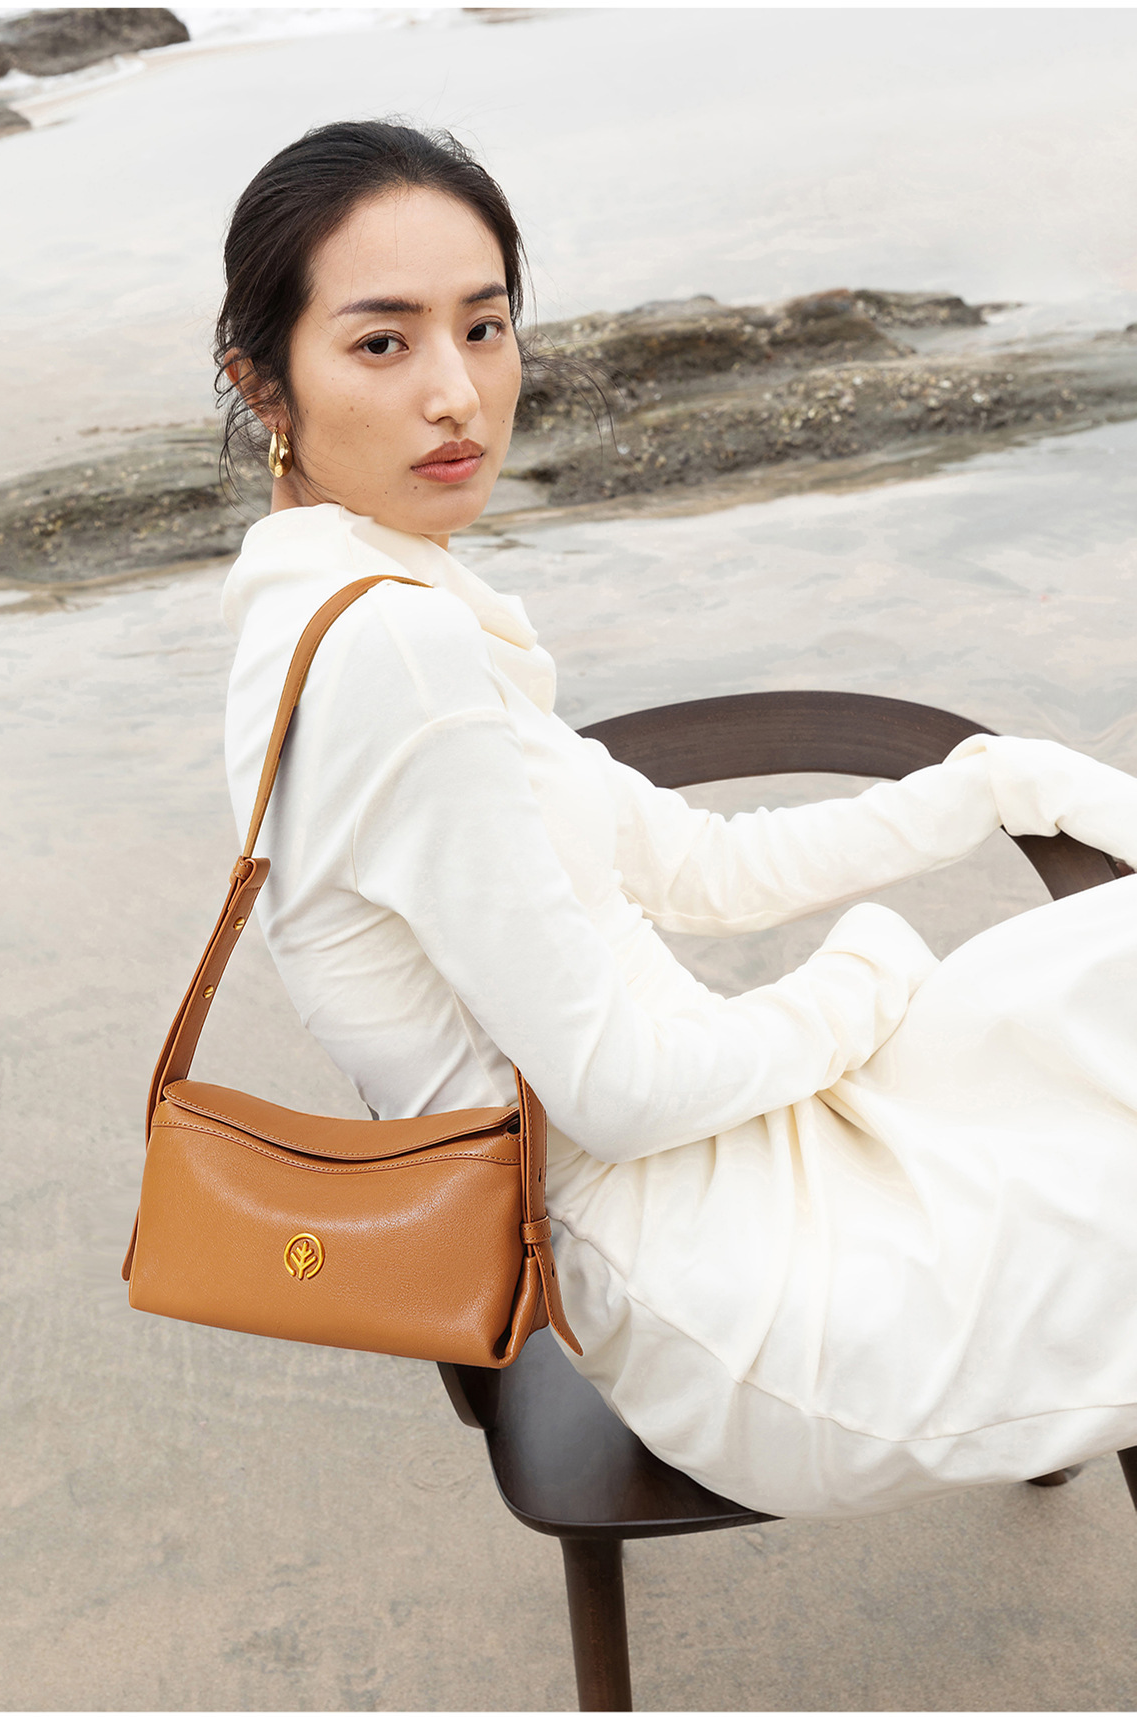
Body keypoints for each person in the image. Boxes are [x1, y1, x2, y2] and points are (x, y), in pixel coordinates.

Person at [217, 120, 1137, 1520]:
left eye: (483, 326)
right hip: (736, 1293)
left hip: (730, 1153)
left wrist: (980, 787)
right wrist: (864, 980)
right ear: (263, 379)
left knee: (1095, 983)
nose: (458, 394)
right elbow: (620, 1091)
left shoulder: (348, 604)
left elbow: (698, 868)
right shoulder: (395, 656)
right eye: (383, 342)